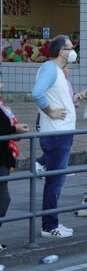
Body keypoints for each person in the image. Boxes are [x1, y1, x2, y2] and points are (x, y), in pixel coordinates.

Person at [31, 34, 83, 237]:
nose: (73, 51)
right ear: (62, 52)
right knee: (55, 181)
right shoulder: (50, 69)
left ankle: (51, 223)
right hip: (56, 133)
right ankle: (50, 225)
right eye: (70, 48)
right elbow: (37, 93)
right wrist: (50, 111)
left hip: (60, 132)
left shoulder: (56, 70)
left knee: (56, 180)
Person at [0, 70, 29, 251]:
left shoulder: (1, 104)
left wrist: (14, 128)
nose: (1, 85)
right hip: (0, 158)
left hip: (3, 156)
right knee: (3, 199)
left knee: (4, 199)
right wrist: (14, 129)